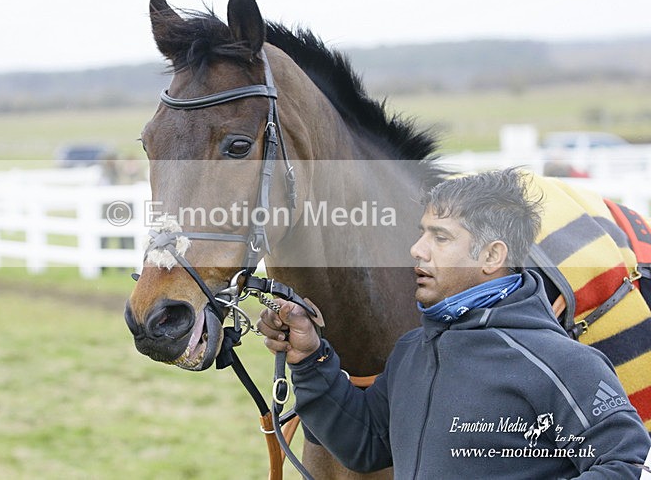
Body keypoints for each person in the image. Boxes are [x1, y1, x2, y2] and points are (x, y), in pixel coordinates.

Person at [257, 168, 651, 478]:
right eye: (421, 234)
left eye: (440, 238)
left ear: (492, 256)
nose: (417, 249)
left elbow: (625, 465)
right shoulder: (411, 352)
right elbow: (365, 443)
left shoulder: (562, 364)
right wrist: (309, 359)